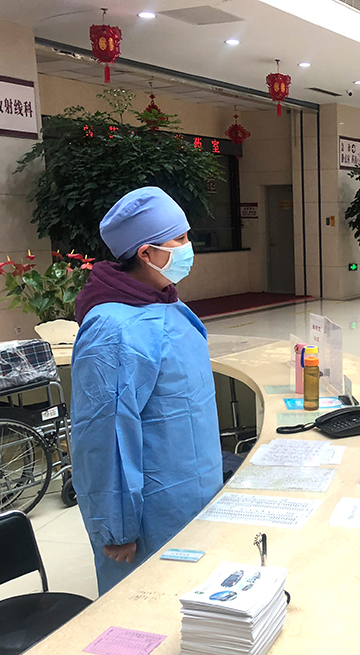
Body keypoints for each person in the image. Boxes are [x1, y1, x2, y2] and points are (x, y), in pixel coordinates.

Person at [71, 186, 224, 595]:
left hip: (196, 489)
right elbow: (102, 436)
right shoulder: (113, 328)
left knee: (196, 598)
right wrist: (116, 527)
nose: (188, 248)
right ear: (146, 252)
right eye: (179, 239)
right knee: (149, 604)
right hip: (153, 508)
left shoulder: (169, 304)